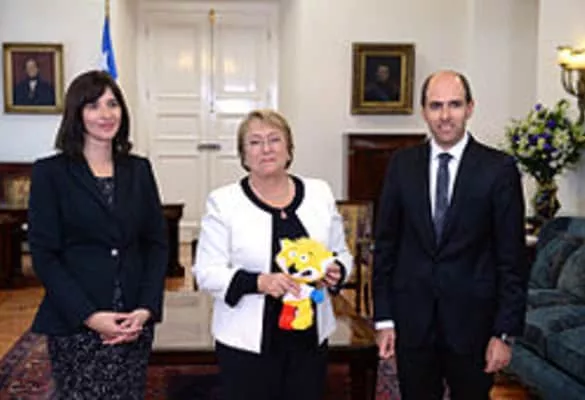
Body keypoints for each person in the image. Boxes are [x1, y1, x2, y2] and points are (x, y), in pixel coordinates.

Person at [373, 70, 528, 399]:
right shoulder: (402, 165)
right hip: (413, 323)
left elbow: (511, 259)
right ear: (424, 111)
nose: (445, 116)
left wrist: (504, 332)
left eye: (454, 105)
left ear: (470, 108)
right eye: (436, 106)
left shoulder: (499, 169)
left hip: (473, 327)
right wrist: (384, 318)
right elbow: (386, 246)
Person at [193, 109, 353, 400]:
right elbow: (206, 272)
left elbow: (341, 252)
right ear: (243, 155)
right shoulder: (224, 202)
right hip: (247, 343)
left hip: (309, 339)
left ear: (289, 148)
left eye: (274, 139)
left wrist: (337, 270)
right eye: (255, 142)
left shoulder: (319, 193)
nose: (266, 149)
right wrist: (260, 282)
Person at [27, 70, 168, 399]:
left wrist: (146, 309)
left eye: (112, 104)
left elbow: (156, 244)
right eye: (93, 106)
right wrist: (89, 316)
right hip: (76, 319)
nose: (106, 114)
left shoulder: (139, 169)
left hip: (133, 320)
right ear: (76, 114)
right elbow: (45, 255)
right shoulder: (50, 173)